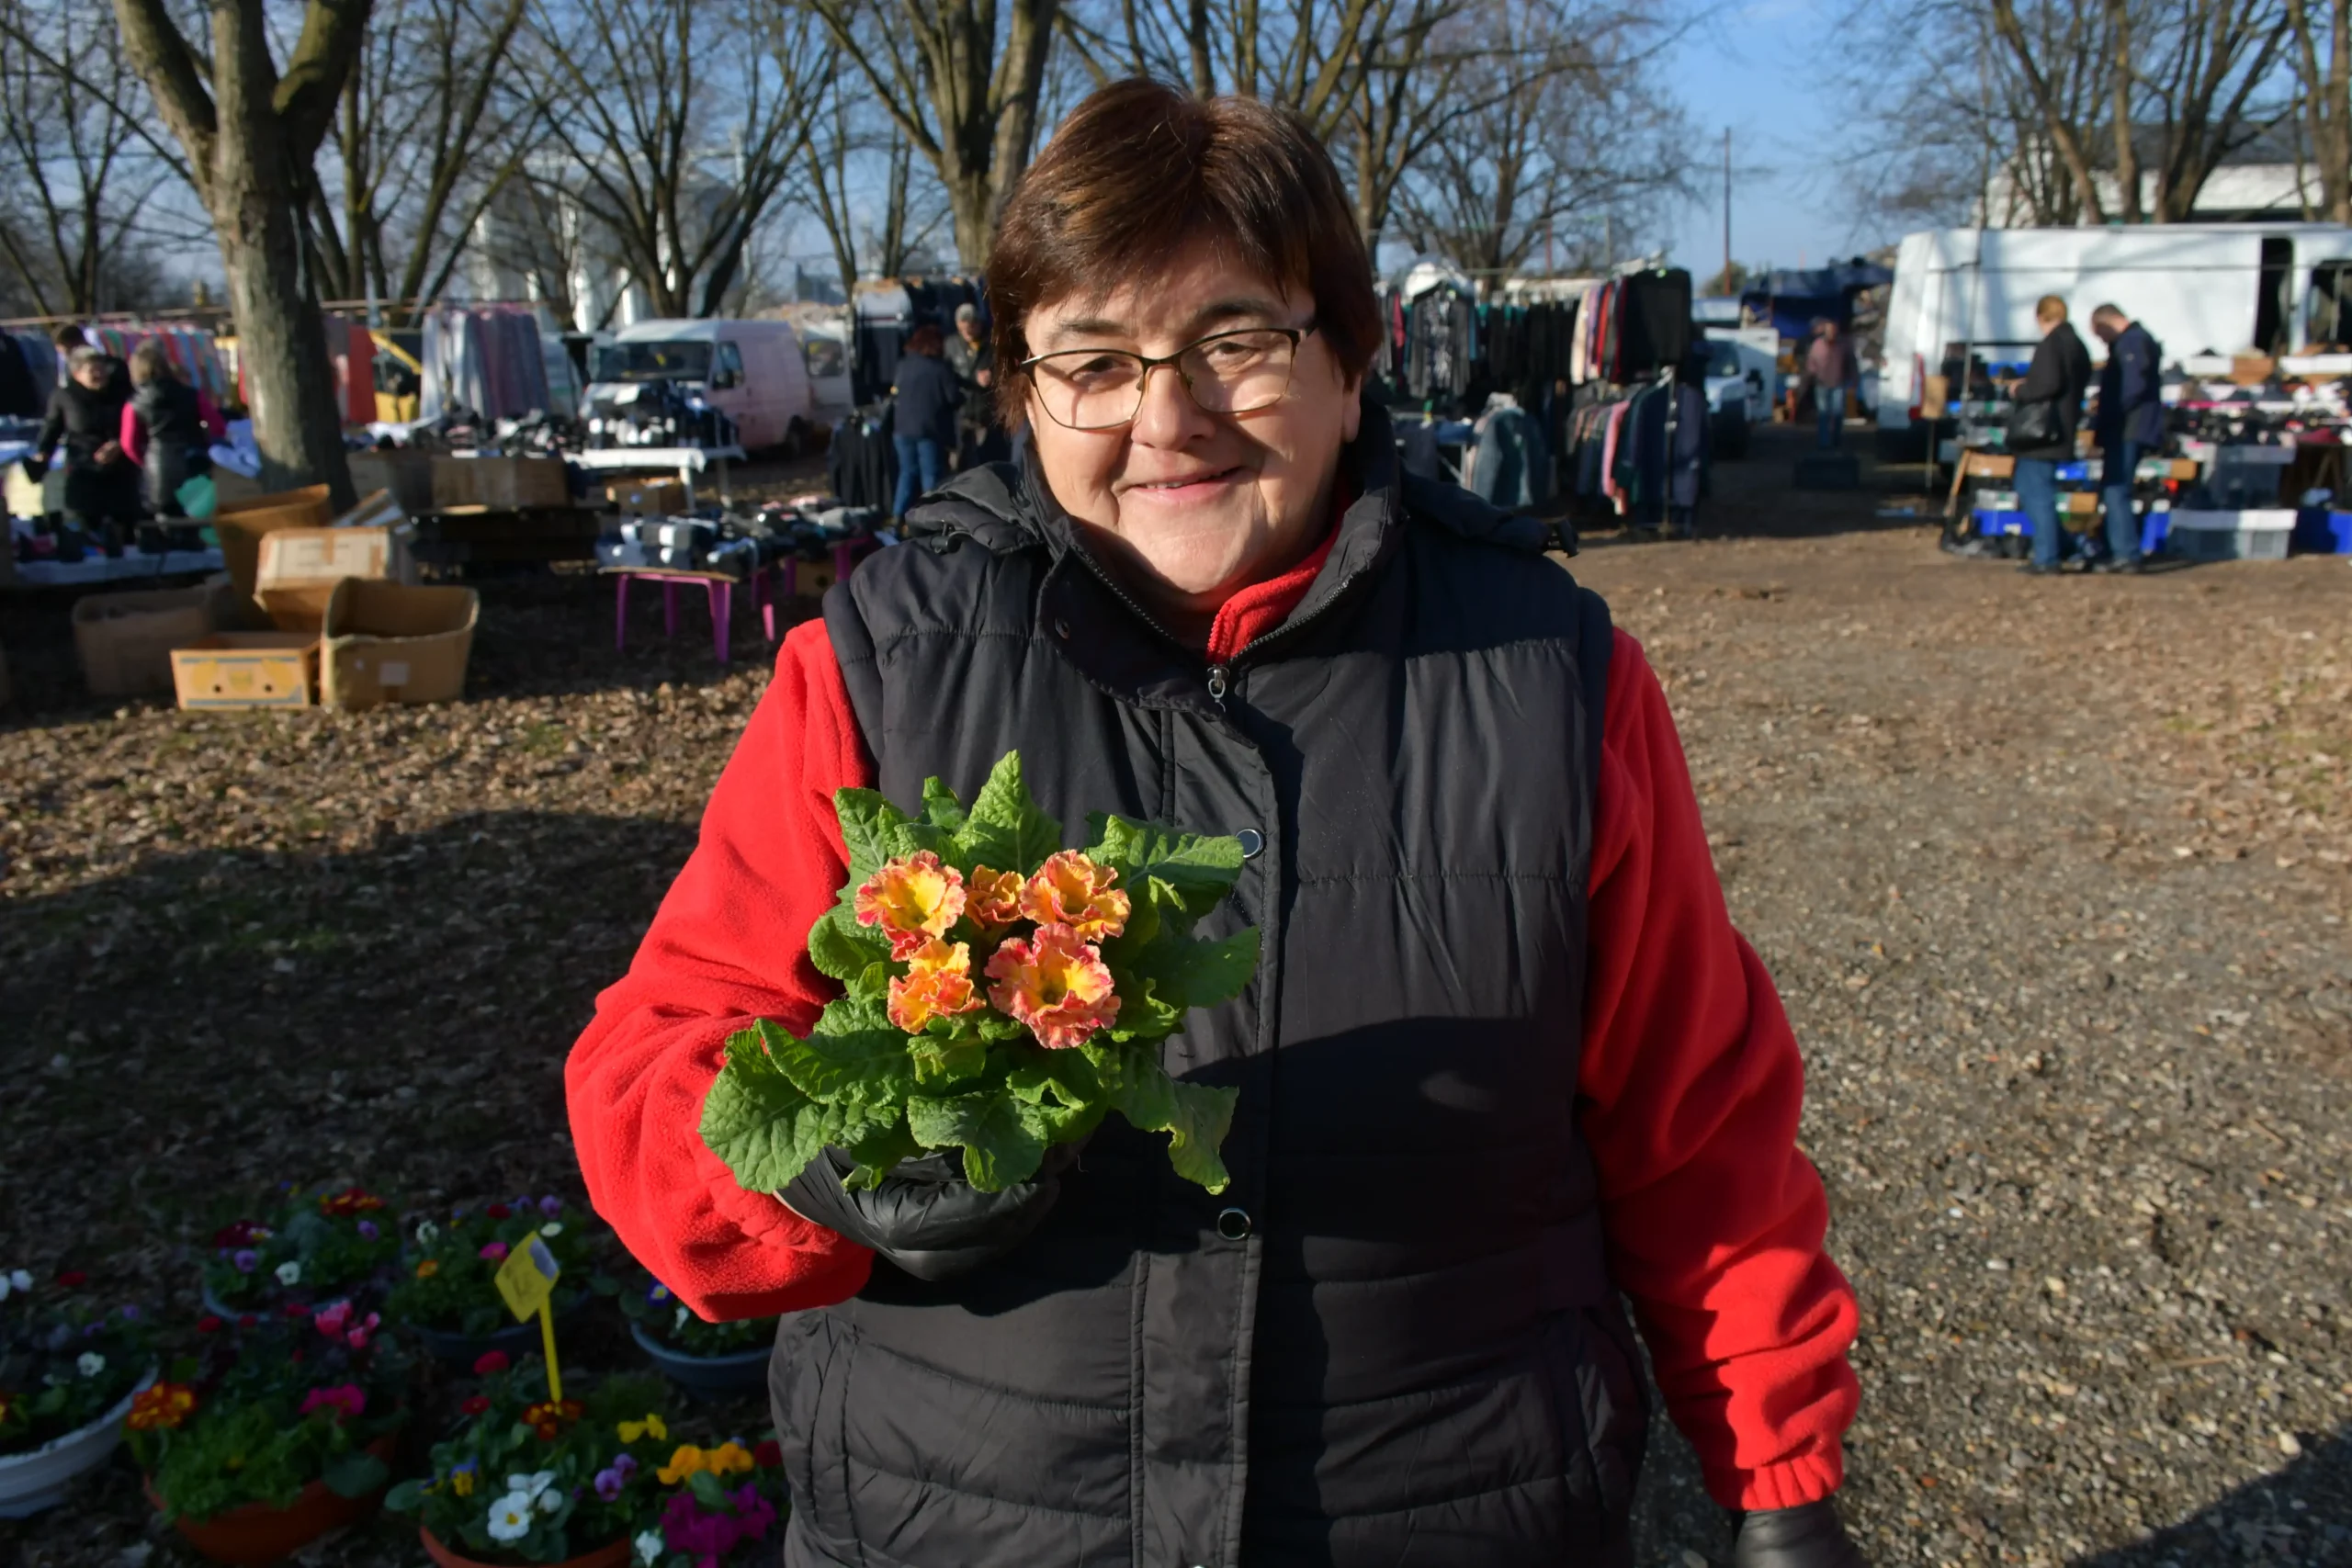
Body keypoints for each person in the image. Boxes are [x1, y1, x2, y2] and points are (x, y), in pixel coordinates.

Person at [567, 78, 1862, 1568]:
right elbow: (656, 1061)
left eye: (1236, 340)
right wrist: (815, 1175)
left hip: (1449, 1508)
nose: (1165, 417)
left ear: (1353, 355)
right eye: (1094, 360)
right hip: (967, 1522)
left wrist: (1781, 1484)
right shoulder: (877, 665)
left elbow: (1699, 1129)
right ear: (1019, 388)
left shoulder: (1548, 677)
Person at [2010, 296, 2093, 576]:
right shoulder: (2077, 345)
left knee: (2035, 492)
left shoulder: (2051, 345)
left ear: (2040, 317)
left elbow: (2047, 384)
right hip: (2064, 427)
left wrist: (2020, 389)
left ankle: (2048, 556)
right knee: (2038, 489)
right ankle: (2065, 546)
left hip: (2042, 433)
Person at [24, 346, 137, 538]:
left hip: (120, 471)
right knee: (84, 527)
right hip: (83, 471)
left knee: (126, 530)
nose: (100, 375)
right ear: (77, 374)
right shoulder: (64, 396)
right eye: (93, 371)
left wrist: (119, 444)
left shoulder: (121, 392)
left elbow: (136, 425)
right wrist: (43, 455)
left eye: (102, 369)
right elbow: (52, 429)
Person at [2090, 303, 2163, 572]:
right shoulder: (2139, 341)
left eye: (2101, 334)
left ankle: (2126, 552)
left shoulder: (2132, 343)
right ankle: (2118, 548)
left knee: (2116, 489)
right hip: (2131, 426)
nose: (2102, 341)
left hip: (2127, 427)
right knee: (2116, 489)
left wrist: (2111, 411)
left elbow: (2133, 385)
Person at [121, 341, 226, 518]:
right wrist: (207, 446)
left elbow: (128, 443)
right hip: (194, 458)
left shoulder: (134, 403)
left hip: (158, 464)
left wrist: (145, 461)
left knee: (165, 519)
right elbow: (217, 426)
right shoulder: (191, 394)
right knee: (198, 517)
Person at [888, 323, 960, 520]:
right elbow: (953, 397)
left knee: (907, 473)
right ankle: (930, 517)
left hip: (901, 429)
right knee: (931, 475)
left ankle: (898, 516)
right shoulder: (939, 368)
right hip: (928, 429)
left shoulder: (903, 365)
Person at [942, 301, 1003, 469]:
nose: (968, 330)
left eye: (972, 324)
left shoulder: (990, 343)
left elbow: (1005, 371)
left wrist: (993, 377)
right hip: (962, 411)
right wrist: (972, 379)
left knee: (987, 461)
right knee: (960, 462)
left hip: (985, 412)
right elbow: (947, 376)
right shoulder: (951, 345)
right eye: (964, 326)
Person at [1802, 319, 1856, 449]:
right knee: (1823, 414)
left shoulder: (1843, 345)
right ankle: (1824, 442)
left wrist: (1854, 378)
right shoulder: (1817, 345)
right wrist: (1811, 376)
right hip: (1821, 383)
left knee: (1837, 413)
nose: (1831, 334)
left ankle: (1836, 438)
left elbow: (1851, 363)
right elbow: (1811, 363)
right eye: (1829, 331)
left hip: (1838, 382)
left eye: (1833, 331)